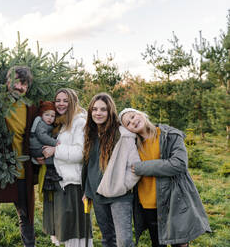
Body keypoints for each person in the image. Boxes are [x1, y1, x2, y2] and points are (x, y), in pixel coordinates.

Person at [119, 108, 211, 247]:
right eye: (128, 123)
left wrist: (142, 167)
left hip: (174, 201)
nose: (133, 121)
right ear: (127, 130)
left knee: (180, 244)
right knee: (157, 243)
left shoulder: (170, 135)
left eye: (133, 116)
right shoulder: (131, 145)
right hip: (148, 203)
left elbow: (179, 164)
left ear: (140, 114)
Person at [0, 66, 38, 247]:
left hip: (21, 171)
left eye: (24, 84)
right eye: (16, 82)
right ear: (7, 82)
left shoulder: (30, 108)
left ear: (28, 87)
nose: (19, 87)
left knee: (26, 217)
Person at [82, 93, 140, 247]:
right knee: (107, 239)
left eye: (103, 109)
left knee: (124, 241)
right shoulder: (90, 133)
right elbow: (89, 166)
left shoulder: (122, 134)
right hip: (97, 194)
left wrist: (123, 186)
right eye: (94, 109)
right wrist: (87, 191)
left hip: (119, 196)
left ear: (110, 112)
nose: (98, 113)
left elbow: (135, 166)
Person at [39, 88, 93, 247]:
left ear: (73, 102)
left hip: (73, 184)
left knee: (76, 234)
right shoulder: (61, 122)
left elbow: (80, 152)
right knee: (66, 232)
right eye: (58, 100)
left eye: (65, 100)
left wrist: (56, 151)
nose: (61, 104)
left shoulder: (80, 122)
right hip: (60, 182)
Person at [30, 100, 62, 191]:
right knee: (51, 158)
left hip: (38, 148)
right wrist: (55, 143)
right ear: (41, 115)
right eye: (47, 115)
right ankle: (51, 175)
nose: (50, 118)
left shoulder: (47, 125)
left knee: (49, 161)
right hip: (36, 148)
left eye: (52, 116)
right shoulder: (40, 124)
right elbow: (42, 137)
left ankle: (48, 181)